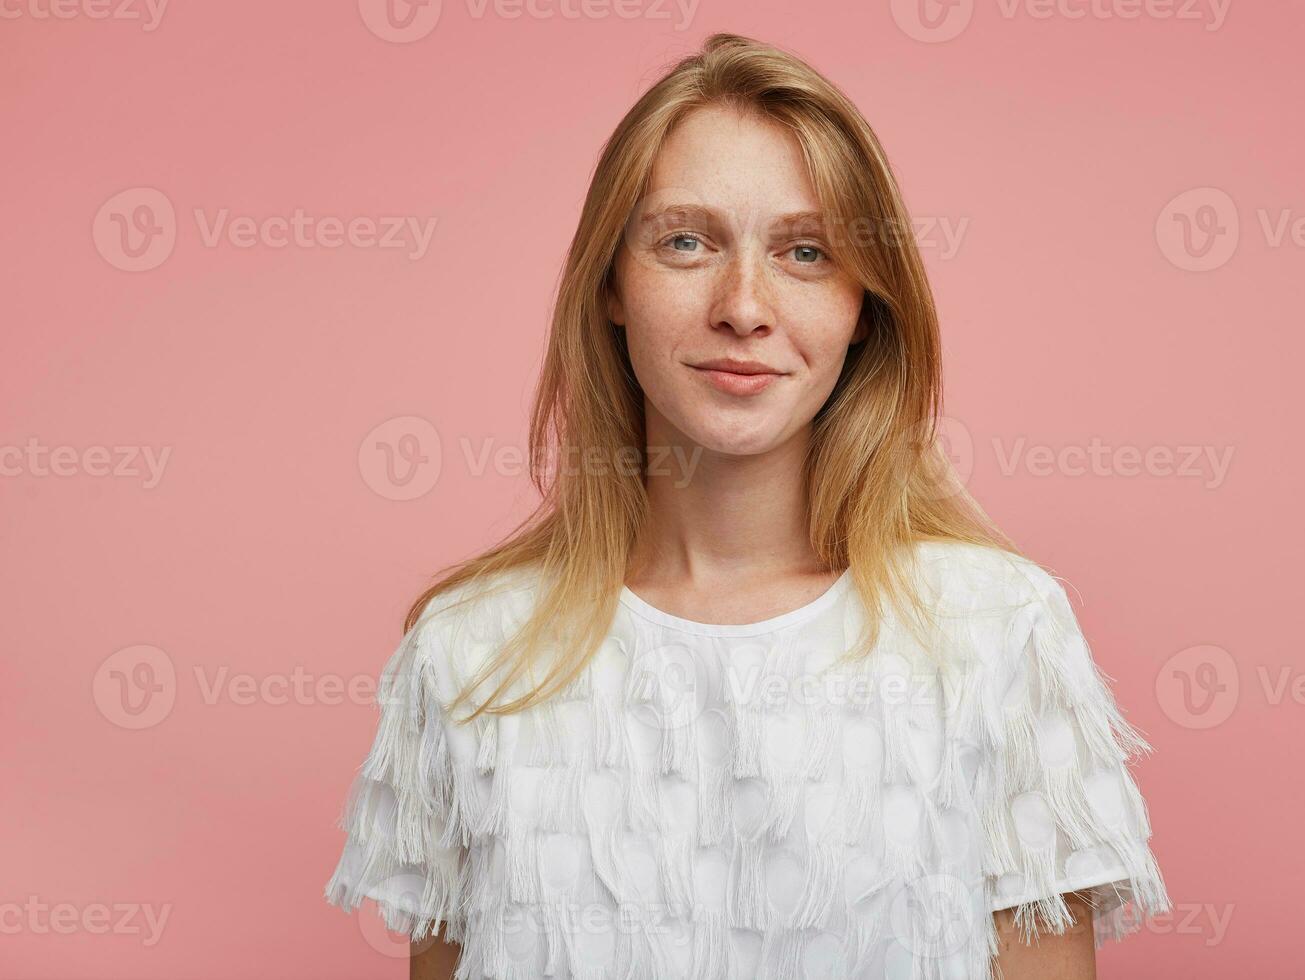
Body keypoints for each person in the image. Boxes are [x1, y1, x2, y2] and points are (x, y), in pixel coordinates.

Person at [324, 32, 1169, 980]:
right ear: (610, 283)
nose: (744, 306)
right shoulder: (470, 653)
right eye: (686, 241)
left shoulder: (995, 632)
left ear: (863, 306)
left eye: (806, 252)